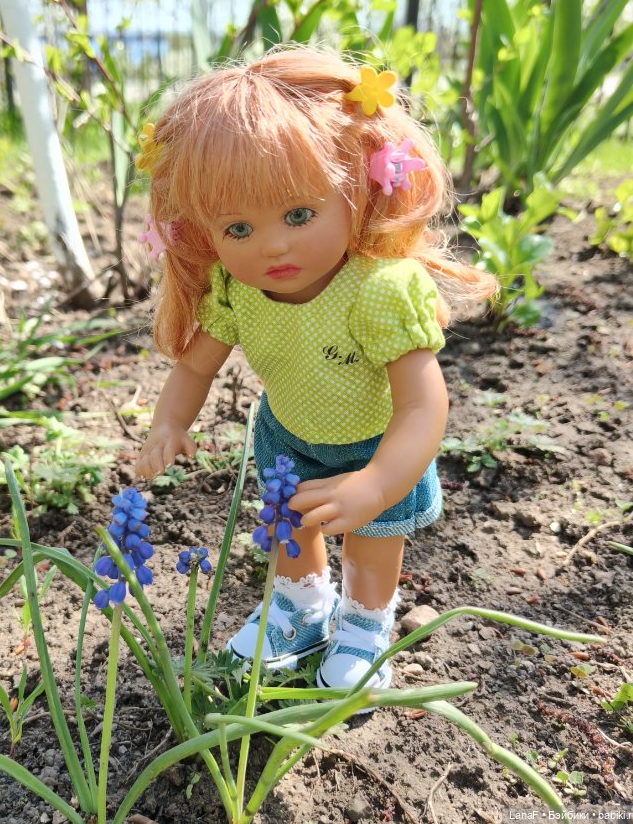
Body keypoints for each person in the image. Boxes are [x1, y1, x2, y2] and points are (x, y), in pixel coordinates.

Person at [134, 46, 497, 690]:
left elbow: (422, 405)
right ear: (203, 232)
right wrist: (169, 421)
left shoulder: (378, 290)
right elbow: (196, 369)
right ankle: (300, 607)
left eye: (299, 215)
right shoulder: (235, 290)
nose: (272, 244)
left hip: (376, 445)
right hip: (288, 435)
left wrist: (379, 483)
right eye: (237, 229)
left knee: (373, 543)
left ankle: (363, 622)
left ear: (354, 191)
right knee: (288, 530)